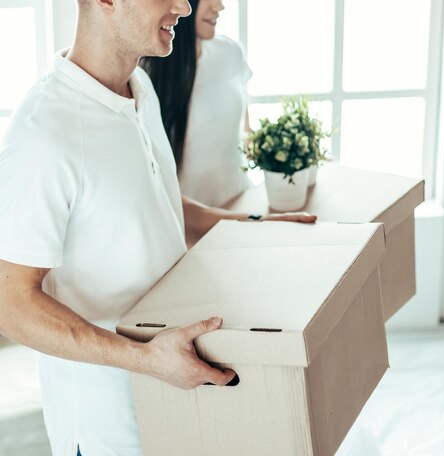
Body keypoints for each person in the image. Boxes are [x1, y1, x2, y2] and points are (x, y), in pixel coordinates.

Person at [0, 0, 315, 455]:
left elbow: (156, 200)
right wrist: (145, 359)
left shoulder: (139, 87)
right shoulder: (44, 131)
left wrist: (253, 224)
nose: (183, 6)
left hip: (169, 395)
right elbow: (10, 304)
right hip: (106, 422)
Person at [141, 0, 252, 208]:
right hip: (188, 226)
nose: (219, 6)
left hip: (240, 205)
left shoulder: (231, 53)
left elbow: (247, 128)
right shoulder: (144, 74)